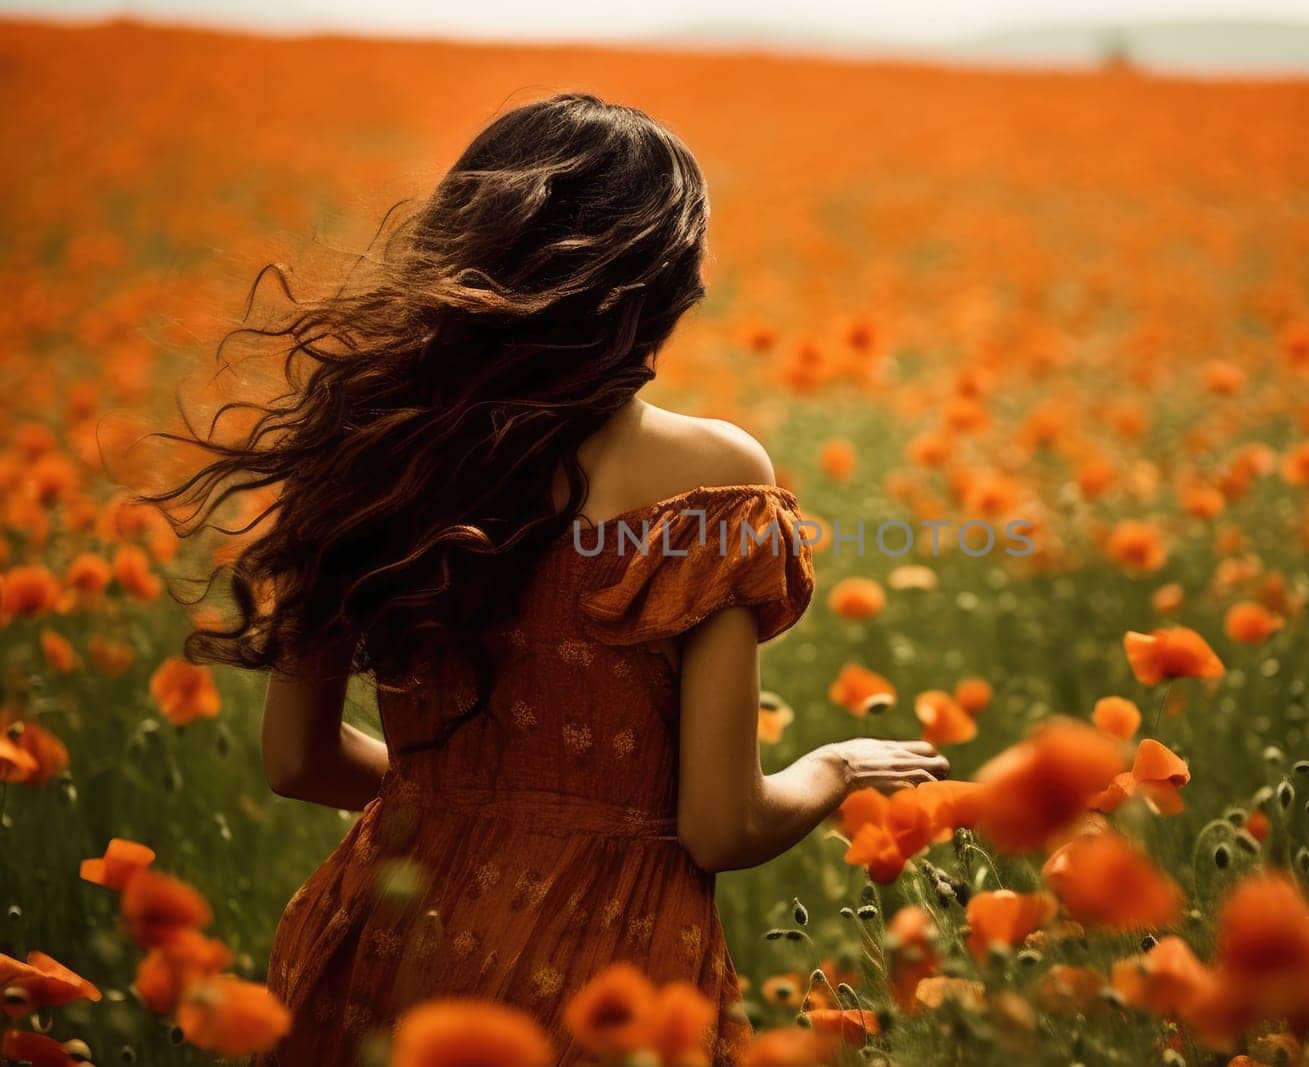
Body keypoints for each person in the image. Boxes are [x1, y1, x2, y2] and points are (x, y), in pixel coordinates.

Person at [152, 93, 947, 1065]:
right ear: (656, 281)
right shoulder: (713, 478)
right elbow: (720, 823)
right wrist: (835, 766)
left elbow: (297, 762)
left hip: (388, 937)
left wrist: (458, 807)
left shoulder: (370, 453)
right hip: (606, 969)